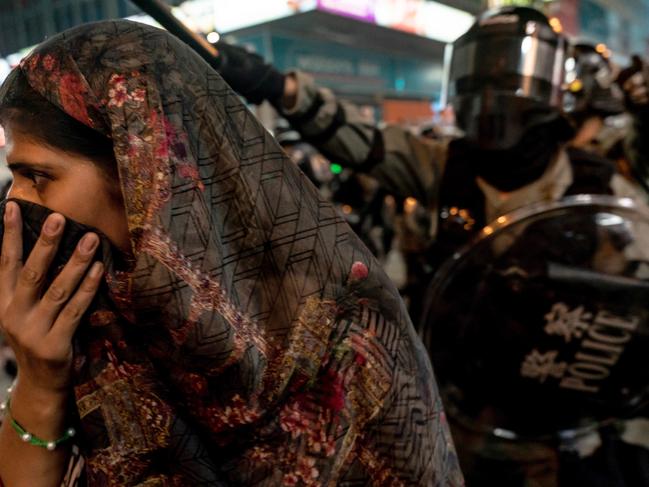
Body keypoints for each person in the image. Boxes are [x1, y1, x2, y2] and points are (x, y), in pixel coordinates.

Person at [0, 20, 462, 486]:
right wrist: (39, 381)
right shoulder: (88, 321)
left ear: (142, 170)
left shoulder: (339, 334)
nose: (16, 205)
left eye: (38, 177)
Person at [213, 6, 649, 485]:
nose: (493, 81)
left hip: (548, 423)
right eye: (484, 64)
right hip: (445, 403)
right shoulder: (444, 165)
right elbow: (361, 141)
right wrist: (278, 86)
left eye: (507, 64)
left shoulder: (600, 191)